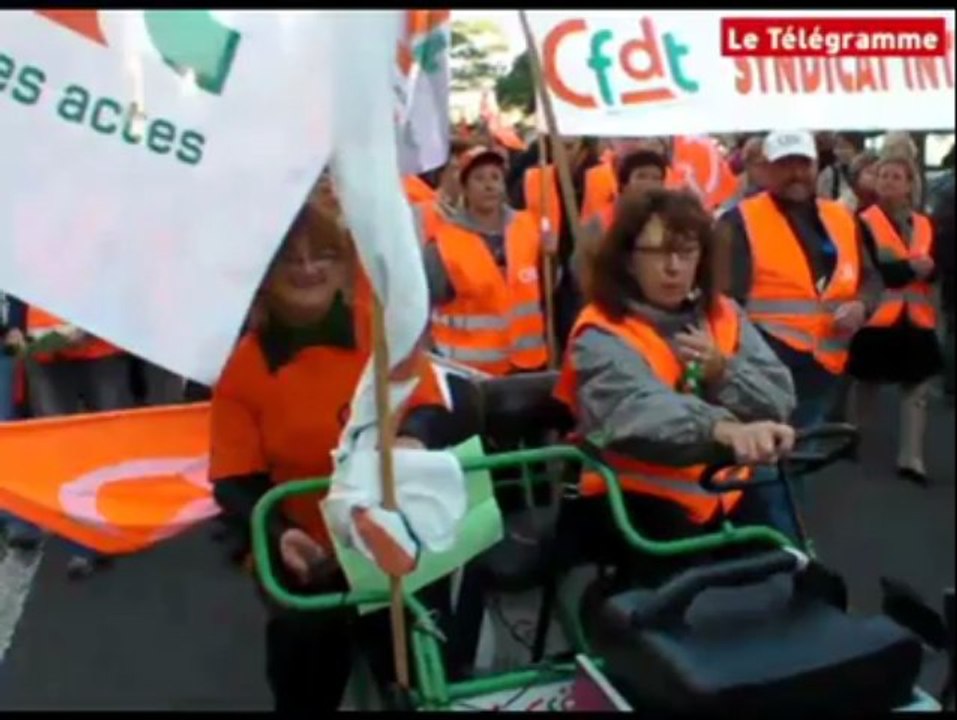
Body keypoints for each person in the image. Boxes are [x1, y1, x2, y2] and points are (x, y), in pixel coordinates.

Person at [210, 200, 455, 711]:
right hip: (310, 562)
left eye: (322, 254)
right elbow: (235, 480)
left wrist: (412, 436)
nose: (307, 269)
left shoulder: (378, 331)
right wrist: (281, 537)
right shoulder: (243, 371)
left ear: (344, 265)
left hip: (395, 548)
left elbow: (430, 402)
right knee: (306, 683)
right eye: (290, 258)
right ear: (265, 273)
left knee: (421, 676)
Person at [553, 189, 797, 587]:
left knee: (797, 580)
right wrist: (724, 429)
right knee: (694, 609)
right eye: (656, 253)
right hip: (634, 506)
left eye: (686, 253)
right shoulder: (600, 331)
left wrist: (724, 372)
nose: (672, 267)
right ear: (629, 260)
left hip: (726, 496)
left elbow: (781, 399)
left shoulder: (724, 315)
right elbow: (635, 411)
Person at [715, 129, 881, 541]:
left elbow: (869, 278)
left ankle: (768, 546)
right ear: (766, 170)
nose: (795, 173)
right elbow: (722, 300)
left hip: (823, 369)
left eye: (802, 163)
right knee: (774, 464)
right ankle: (787, 553)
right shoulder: (740, 221)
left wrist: (862, 305)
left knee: (788, 461)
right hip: (765, 370)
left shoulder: (842, 218)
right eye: (784, 164)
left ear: (816, 166)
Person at [848, 156, 943, 484]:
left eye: (896, 177)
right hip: (879, 317)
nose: (888, 182)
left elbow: (938, 265)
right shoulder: (863, 221)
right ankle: (853, 440)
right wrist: (910, 270)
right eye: (883, 175)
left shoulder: (924, 224)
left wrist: (931, 271)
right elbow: (873, 269)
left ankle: (911, 457)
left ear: (909, 185)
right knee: (867, 385)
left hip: (915, 320)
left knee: (915, 390)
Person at [19, 307, 134, 576]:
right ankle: (82, 540)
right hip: (44, 345)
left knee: (111, 445)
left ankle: (115, 523)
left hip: (99, 341)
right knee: (61, 448)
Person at [424, 146, 550, 376]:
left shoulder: (528, 228)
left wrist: (551, 253)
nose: (489, 185)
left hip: (528, 367)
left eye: (495, 177)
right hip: (470, 373)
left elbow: (547, 284)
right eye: (479, 178)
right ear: (465, 188)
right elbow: (424, 307)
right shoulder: (443, 244)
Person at [817, 132, 866, 200]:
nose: (836, 152)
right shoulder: (829, 174)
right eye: (836, 147)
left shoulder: (868, 173)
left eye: (843, 147)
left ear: (859, 150)